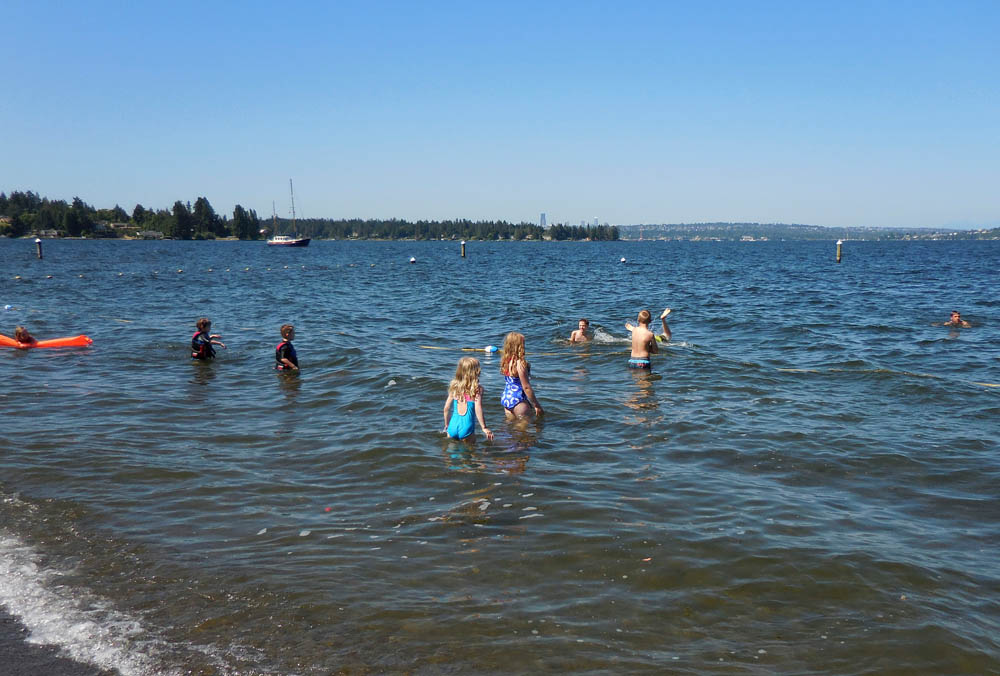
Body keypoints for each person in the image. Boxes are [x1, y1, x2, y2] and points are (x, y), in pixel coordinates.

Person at [442, 357, 493, 440]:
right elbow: (478, 408)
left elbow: (446, 408)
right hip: (467, 428)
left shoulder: (454, 387)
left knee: (451, 451)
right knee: (470, 452)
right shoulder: (477, 389)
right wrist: (484, 427)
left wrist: (447, 425)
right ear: (475, 372)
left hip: (452, 426)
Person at [499, 332, 543, 419]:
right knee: (522, 431)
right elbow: (526, 387)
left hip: (507, 398)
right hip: (518, 400)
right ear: (519, 346)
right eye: (523, 343)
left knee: (510, 428)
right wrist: (536, 405)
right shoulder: (520, 363)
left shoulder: (506, 361)